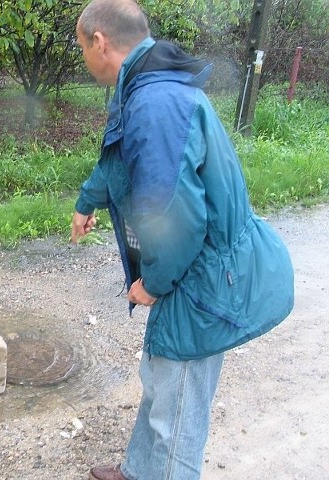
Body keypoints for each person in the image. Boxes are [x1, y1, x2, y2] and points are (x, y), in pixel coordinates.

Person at [70, 1, 295, 479]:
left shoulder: (155, 105)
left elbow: (179, 221)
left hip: (202, 279)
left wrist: (152, 283)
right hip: (193, 273)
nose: (84, 59)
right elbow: (116, 157)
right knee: (161, 377)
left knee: (177, 409)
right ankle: (137, 471)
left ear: (99, 41)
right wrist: (87, 201)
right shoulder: (143, 85)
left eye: (81, 47)